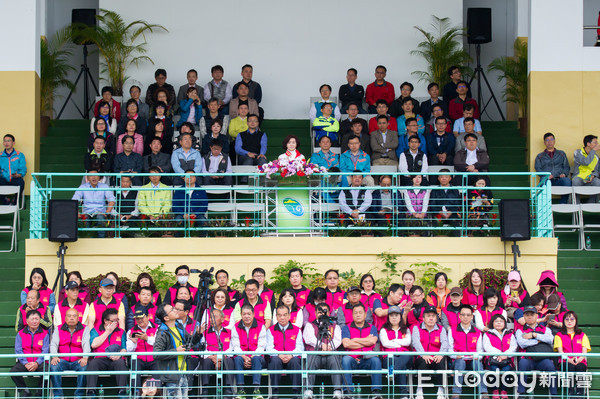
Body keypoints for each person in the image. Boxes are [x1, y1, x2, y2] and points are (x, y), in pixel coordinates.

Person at [154, 302, 201, 398]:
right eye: (172, 310)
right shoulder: (162, 333)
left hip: (183, 372)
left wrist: (198, 334)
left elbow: (190, 342)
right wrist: (176, 351)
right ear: (166, 318)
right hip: (172, 376)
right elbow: (157, 354)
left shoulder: (178, 326)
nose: (175, 310)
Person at [341, 303, 383, 399]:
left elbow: (372, 341)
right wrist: (366, 341)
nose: (358, 315)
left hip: (367, 358)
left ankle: (376, 392)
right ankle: (348, 392)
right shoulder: (346, 327)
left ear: (365, 314)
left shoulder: (372, 327)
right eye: (355, 313)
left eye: (360, 312)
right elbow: (346, 344)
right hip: (352, 358)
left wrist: (354, 340)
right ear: (352, 315)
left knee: (376, 360)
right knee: (345, 360)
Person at [515, 306, 557, 398]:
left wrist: (534, 335)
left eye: (532, 315)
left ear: (537, 316)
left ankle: (554, 394)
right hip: (527, 359)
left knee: (550, 365)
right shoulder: (519, 330)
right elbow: (522, 344)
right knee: (522, 363)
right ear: (524, 317)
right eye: (527, 315)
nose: (529, 317)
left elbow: (550, 339)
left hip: (542, 359)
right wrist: (539, 340)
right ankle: (521, 393)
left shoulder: (545, 329)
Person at [303, 303, 343, 399]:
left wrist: (328, 347)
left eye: (325, 311)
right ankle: (308, 390)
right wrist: (322, 346)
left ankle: (337, 391)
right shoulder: (310, 325)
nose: (322, 314)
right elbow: (309, 338)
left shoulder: (335, 326)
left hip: (330, 353)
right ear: (315, 313)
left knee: (335, 358)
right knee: (310, 358)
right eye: (319, 312)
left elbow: (338, 340)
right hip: (315, 354)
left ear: (329, 313)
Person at [447, 304, 488, 399]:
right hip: (457, 361)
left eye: (468, 315)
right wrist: (455, 356)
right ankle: (456, 393)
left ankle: (483, 393)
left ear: (472, 317)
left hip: (471, 360)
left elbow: (480, 351)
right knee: (460, 362)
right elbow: (449, 350)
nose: (465, 317)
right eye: (463, 314)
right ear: (459, 316)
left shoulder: (477, 332)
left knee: (477, 363)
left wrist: (477, 356)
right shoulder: (452, 330)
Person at [86, 308, 128, 397]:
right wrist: (107, 332)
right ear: (105, 321)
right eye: (113, 321)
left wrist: (119, 355)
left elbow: (124, 348)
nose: (116, 323)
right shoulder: (95, 330)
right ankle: (91, 391)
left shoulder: (121, 332)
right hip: (100, 358)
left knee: (121, 363)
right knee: (93, 363)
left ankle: (122, 391)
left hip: (115, 359)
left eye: (117, 320)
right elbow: (93, 344)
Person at [50, 307, 90, 399]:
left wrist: (85, 357)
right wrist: (54, 356)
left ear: (78, 318)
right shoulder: (59, 328)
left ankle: (79, 395)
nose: (71, 318)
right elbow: (53, 344)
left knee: (84, 368)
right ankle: (58, 395)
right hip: (62, 360)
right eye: (69, 316)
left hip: (78, 360)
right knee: (54, 366)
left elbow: (86, 344)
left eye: (74, 316)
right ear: (65, 318)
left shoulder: (85, 328)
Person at [230, 303, 267, 398]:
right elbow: (235, 345)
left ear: (253, 314)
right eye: (244, 314)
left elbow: (261, 345)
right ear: (241, 315)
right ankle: (241, 390)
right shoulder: (236, 327)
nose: (246, 316)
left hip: (257, 357)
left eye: (249, 314)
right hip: (242, 357)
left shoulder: (260, 326)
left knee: (257, 359)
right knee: (237, 359)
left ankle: (256, 390)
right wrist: (244, 357)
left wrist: (251, 357)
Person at [266, 305, 304, 398]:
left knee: (295, 361)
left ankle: (296, 393)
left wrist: (291, 355)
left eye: (284, 315)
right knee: (274, 361)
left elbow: (300, 347)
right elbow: (269, 348)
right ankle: (275, 393)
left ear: (289, 316)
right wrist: (279, 354)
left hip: (291, 357)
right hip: (277, 357)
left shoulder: (296, 330)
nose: (282, 317)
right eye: (279, 315)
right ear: (276, 316)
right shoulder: (271, 330)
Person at [412, 305, 448, 399]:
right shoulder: (417, 328)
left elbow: (445, 343)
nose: (431, 318)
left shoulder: (441, 329)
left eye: (433, 316)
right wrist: (424, 355)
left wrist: (440, 355)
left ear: (436, 318)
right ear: (423, 318)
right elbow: (416, 342)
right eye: (428, 316)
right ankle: (419, 390)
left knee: (441, 363)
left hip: (436, 356)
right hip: (422, 357)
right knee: (423, 364)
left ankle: (441, 390)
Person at [12, 310, 49, 398]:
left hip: (39, 362)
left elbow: (45, 350)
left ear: (40, 320)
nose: (34, 321)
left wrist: (37, 363)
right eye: (32, 319)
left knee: (48, 371)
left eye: (36, 319)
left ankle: (39, 393)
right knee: (13, 372)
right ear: (27, 321)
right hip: (25, 362)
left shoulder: (45, 334)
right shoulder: (20, 334)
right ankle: (25, 391)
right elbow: (18, 350)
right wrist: (25, 363)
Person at [200, 309, 235, 397]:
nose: (211, 319)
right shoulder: (205, 333)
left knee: (229, 361)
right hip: (211, 358)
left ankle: (228, 390)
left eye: (214, 317)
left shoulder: (229, 332)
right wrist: (213, 357)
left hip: (224, 358)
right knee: (206, 362)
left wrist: (220, 357)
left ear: (222, 319)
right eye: (210, 317)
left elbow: (232, 348)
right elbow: (202, 349)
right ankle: (205, 391)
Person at [554, 310, 590, 397]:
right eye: (567, 319)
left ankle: (580, 393)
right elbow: (560, 351)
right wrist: (569, 360)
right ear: (563, 321)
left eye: (572, 319)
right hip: (565, 361)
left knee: (581, 367)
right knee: (569, 367)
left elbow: (584, 352)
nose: (569, 321)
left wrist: (579, 359)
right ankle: (570, 392)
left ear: (576, 321)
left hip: (580, 360)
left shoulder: (582, 335)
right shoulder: (559, 335)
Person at [379, 306, 412, 398]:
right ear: (388, 318)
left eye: (396, 315)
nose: (394, 317)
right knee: (401, 365)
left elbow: (408, 342)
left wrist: (394, 341)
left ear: (400, 317)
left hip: (404, 356)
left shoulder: (406, 329)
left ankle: (393, 372)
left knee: (406, 355)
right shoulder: (383, 330)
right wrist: (400, 344)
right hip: (389, 357)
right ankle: (404, 394)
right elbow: (385, 343)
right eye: (391, 315)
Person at [481, 314, 517, 399]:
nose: (499, 323)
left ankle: (504, 391)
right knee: (494, 369)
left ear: (505, 323)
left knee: (507, 370)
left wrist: (505, 355)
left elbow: (513, 347)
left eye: (501, 321)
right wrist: (500, 354)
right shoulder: (488, 334)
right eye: (496, 321)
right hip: (493, 359)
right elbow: (487, 346)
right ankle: (495, 390)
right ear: (492, 323)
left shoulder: (510, 334)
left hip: (506, 359)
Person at [72, 170, 116, 238]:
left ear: (99, 177)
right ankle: (86, 240)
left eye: (96, 175)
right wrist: (77, 212)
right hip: (87, 212)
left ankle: (101, 241)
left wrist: (107, 212)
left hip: (100, 212)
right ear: (87, 178)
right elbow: (74, 200)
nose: (94, 177)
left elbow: (112, 200)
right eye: (91, 176)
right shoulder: (83, 187)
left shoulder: (104, 186)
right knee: (85, 220)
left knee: (100, 218)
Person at [126, 309, 159, 392]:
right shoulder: (131, 331)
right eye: (137, 318)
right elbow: (129, 350)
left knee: (159, 365)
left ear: (148, 317)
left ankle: (155, 392)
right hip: (139, 358)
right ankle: (136, 392)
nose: (139, 320)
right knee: (134, 364)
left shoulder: (157, 328)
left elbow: (159, 344)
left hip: (154, 357)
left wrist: (147, 338)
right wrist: (134, 343)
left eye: (142, 318)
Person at [534, 132, 571, 203]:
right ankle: (544, 203)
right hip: (547, 179)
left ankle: (563, 203)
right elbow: (538, 168)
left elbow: (566, 166)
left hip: (559, 179)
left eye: (551, 139)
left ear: (554, 141)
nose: (550, 142)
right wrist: (546, 176)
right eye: (547, 140)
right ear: (544, 143)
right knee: (542, 181)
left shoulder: (561, 154)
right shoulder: (540, 156)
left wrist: (564, 173)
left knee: (567, 181)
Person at [572, 134, 600, 200]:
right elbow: (585, 162)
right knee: (575, 181)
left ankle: (591, 204)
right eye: (595, 142)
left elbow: (596, 171)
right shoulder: (578, 152)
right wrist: (593, 150)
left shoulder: (596, 157)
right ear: (588, 144)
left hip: (590, 178)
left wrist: (592, 176)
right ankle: (576, 205)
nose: (597, 144)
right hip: (579, 177)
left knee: (597, 182)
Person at [0, 134, 27, 201]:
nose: (6, 143)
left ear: (13, 143)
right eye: (5, 141)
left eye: (9, 141)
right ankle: (5, 200)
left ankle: (15, 200)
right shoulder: (0, 155)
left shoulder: (19, 155)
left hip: (15, 178)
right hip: (3, 179)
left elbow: (23, 168)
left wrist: (19, 174)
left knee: (21, 182)